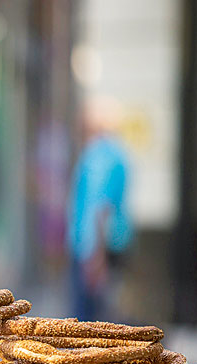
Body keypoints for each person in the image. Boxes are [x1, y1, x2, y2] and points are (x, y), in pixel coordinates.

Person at [66, 98, 132, 321]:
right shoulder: (116, 154)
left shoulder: (100, 157)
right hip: (104, 246)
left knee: (87, 326)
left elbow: (100, 209)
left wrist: (96, 257)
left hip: (96, 248)